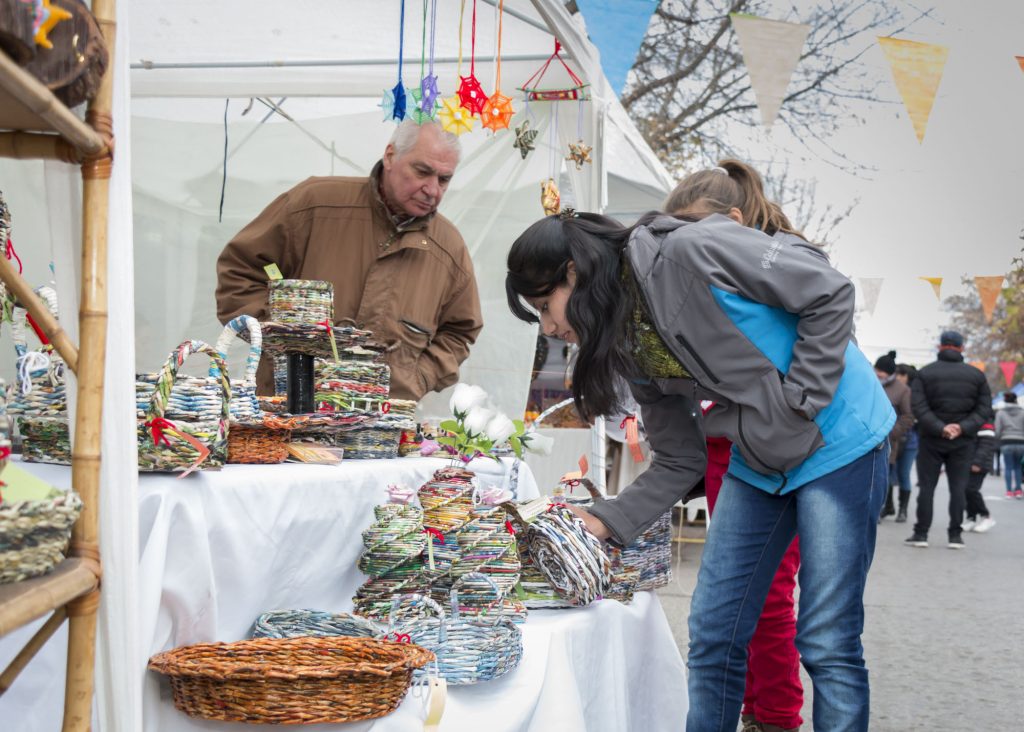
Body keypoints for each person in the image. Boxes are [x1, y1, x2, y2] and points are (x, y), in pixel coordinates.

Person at [505, 163, 894, 732]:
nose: (547, 327)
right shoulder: (626, 338)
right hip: (761, 456)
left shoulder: (689, 248)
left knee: (826, 638)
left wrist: (799, 402)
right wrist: (604, 520)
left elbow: (830, 293)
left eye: (545, 305)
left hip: (840, 440)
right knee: (714, 631)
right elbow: (682, 457)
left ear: (575, 271)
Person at [666, 164, 802, 732]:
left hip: (776, 449)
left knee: (768, 596)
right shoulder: (703, 271)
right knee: (728, 597)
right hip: (727, 446)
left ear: (735, 221)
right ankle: (748, 707)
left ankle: (776, 717)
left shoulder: (786, 267)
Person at [216, 120, 483, 400]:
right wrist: (278, 338)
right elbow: (239, 270)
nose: (432, 189)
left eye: (444, 179)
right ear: (390, 156)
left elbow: (460, 331)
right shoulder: (315, 204)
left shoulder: (449, 249)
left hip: (379, 421)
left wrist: (416, 378)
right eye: (422, 172)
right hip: (288, 405)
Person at [906, 330, 991, 549]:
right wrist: (961, 428)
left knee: (926, 488)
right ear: (962, 348)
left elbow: (918, 407)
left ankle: (921, 534)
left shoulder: (924, 374)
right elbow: (983, 410)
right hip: (963, 442)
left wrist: (940, 427)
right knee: (959, 488)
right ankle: (955, 535)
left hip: (931, 439)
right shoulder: (976, 376)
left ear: (940, 346)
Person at [874, 351, 914, 521]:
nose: (878, 375)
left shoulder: (902, 390)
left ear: (889, 373)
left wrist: (892, 432)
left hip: (889, 440)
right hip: (867, 438)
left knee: (889, 476)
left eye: (881, 372)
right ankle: (879, 508)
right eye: (876, 370)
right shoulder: (870, 382)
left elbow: (908, 417)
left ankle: (895, 509)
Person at [892, 364, 920, 522]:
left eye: (901, 374)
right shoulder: (893, 390)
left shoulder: (913, 394)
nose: (898, 377)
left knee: (903, 474)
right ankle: (888, 506)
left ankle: (903, 510)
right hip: (894, 439)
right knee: (890, 474)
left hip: (909, 442)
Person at [963, 416, 996, 533]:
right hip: (966, 461)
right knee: (963, 490)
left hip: (980, 462)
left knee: (971, 489)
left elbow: (986, 443)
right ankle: (971, 518)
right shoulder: (969, 416)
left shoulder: (985, 419)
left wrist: (977, 462)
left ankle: (986, 516)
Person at [995, 391, 1024, 498]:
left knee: (1008, 467)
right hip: (1021, 442)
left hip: (1006, 441)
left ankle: (1008, 491)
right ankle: (1018, 490)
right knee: (1018, 467)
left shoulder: (1000, 413)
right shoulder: (1022, 412)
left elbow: (997, 429)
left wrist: (998, 439)